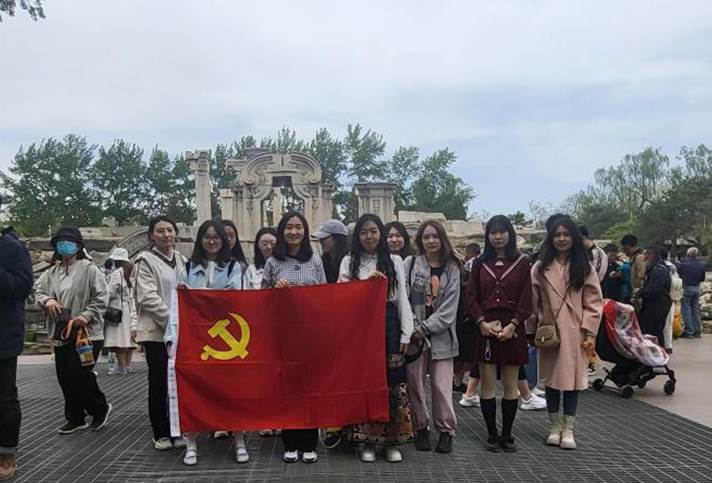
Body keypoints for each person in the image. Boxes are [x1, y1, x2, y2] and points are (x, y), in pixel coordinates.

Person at [165, 220, 247, 466]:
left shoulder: (234, 267)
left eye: (216, 237)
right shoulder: (188, 268)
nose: (212, 241)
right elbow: (176, 305)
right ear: (200, 240)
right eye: (207, 237)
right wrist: (171, 338)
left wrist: (199, 296)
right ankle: (191, 443)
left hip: (226, 340)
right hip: (195, 341)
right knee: (192, 392)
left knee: (232, 392)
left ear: (223, 240)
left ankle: (239, 439)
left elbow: (235, 298)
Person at [338, 213, 414, 463]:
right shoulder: (349, 261)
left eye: (373, 231)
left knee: (392, 381)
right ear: (357, 236)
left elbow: (402, 298)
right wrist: (366, 288)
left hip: (389, 323)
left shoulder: (394, 260)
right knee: (366, 381)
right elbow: (342, 296)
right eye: (363, 232)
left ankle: (392, 441)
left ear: (380, 233)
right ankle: (366, 440)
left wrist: (406, 332)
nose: (369, 236)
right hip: (360, 326)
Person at [531, 216, 602, 450]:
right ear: (550, 238)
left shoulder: (585, 267)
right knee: (551, 380)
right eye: (557, 235)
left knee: (573, 381)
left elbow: (594, 302)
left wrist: (589, 332)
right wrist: (533, 328)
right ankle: (553, 426)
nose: (561, 239)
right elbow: (533, 301)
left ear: (574, 237)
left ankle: (568, 428)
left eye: (566, 234)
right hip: (550, 332)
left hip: (575, 331)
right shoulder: (540, 268)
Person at [262, 211, 326, 464]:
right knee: (287, 390)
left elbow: (324, 295)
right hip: (283, 335)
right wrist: (275, 290)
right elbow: (262, 298)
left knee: (310, 388)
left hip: (310, 334)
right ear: (282, 231)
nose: (294, 232)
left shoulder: (315, 260)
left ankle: (309, 442)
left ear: (305, 231)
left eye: (298, 227)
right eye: (289, 227)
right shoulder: (273, 262)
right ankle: (290, 442)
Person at [34, 226, 112, 435]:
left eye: (69, 242)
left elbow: (101, 297)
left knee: (79, 374)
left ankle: (99, 408)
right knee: (64, 376)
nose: (64, 246)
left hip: (87, 333)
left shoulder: (89, 270)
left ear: (78, 245)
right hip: (62, 331)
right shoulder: (52, 272)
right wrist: (47, 300)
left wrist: (86, 315)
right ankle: (75, 416)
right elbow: (38, 291)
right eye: (60, 242)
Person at [465, 215, 532, 452]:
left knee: (511, 384)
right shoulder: (479, 263)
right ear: (487, 236)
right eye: (493, 232)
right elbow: (470, 296)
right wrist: (482, 322)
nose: (497, 236)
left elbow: (526, 298)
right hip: (486, 326)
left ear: (510, 234)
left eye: (502, 232)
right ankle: (492, 433)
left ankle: (507, 434)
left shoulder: (522, 263)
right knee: (487, 383)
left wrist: (513, 325)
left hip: (513, 327)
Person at [405, 220, 460, 454]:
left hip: (442, 336)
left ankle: (446, 430)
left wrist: (425, 327)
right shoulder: (410, 264)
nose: (431, 241)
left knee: (441, 386)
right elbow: (404, 299)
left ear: (442, 239)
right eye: (426, 237)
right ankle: (421, 427)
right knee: (415, 383)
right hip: (414, 337)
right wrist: (413, 327)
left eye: (435, 236)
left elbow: (449, 308)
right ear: (420, 240)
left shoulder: (453, 268)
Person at [133, 216, 186, 451]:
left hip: (181, 332)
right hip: (157, 333)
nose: (166, 235)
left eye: (170, 230)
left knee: (179, 383)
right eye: (161, 231)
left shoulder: (182, 260)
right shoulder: (145, 261)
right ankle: (161, 431)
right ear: (151, 235)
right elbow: (147, 297)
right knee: (159, 382)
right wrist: (171, 321)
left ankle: (179, 429)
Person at [0, 201, 33, 481]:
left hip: (3, 337)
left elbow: (21, 287)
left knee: (4, 397)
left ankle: (6, 452)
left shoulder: (12, 248)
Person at [103, 248, 137, 375]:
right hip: (130, 307)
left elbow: (110, 292)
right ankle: (128, 365)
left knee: (119, 339)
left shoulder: (117, 273)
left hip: (117, 309)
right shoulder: (132, 271)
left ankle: (121, 367)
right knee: (129, 339)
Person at [453, 243, 481, 393]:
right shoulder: (474, 264)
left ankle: (459, 383)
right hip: (469, 315)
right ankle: (464, 387)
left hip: (464, 315)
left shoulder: (468, 266)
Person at [637, 246, 672, 348]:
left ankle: (658, 350)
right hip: (655, 304)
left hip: (657, 304)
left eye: (646, 255)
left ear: (651, 255)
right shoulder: (655, 269)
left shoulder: (659, 270)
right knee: (651, 330)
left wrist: (641, 293)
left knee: (655, 330)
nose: (644, 258)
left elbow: (655, 289)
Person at [677, 247, 707, 338]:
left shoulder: (683, 265)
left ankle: (689, 331)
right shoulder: (701, 265)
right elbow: (702, 278)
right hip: (696, 287)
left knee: (686, 310)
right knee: (696, 310)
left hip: (686, 287)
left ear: (688, 254)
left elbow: (678, 274)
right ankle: (697, 331)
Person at [312, 219, 349, 283]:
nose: (320, 241)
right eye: (320, 238)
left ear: (337, 238)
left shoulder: (349, 261)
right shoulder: (322, 262)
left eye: (324, 238)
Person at [620, 234, 646, 304]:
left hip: (639, 296)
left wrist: (639, 295)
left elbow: (642, 277)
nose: (625, 252)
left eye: (627, 249)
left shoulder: (640, 257)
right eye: (624, 250)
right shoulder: (633, 258)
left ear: (634, 246)